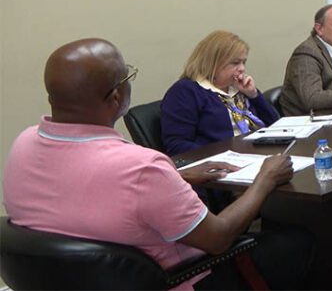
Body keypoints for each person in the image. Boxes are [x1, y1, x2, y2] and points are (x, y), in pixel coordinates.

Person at [2, 38, 312, 290]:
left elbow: (93, 190)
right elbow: (218, 238)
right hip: (182, 277)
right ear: (116, 96)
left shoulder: (23, 144)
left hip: (70, 282)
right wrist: (264, 181)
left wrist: (176, 177)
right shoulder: (141, 166)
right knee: (300, 242)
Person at [161, 30, 280, 157]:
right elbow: (177, 145)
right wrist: (224, 156)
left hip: (259, 153)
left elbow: (276, 126)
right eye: (235, 63)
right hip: (222, 163)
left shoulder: (238, 88)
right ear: (213, 62)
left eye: (243, 62)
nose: (242, 69)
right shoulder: (185, 92)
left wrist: (254, 95)